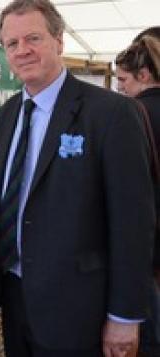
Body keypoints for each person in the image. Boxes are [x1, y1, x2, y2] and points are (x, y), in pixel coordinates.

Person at [0, 1, 155, 356]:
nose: (22, 50)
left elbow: (134, 222)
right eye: (12, 44)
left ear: (59, 41)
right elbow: (5, 192)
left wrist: (125, 315)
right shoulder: (8, 113)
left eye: (33, 38)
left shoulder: (112, 114)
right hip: (15, 293)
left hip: (79, 305)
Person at [116, 33, 160, 357]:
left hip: (149, 241)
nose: (119, 88)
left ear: (143, 76)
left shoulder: (132, 114)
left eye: (122, 79)